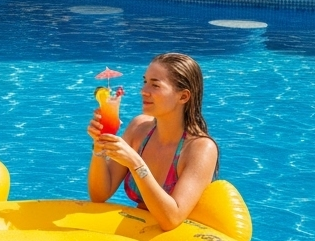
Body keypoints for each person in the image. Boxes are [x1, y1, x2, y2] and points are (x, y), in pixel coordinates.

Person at [87, 53, 220, 231]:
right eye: (145, 82)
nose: (144, 91)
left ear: (183, 97)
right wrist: (99, 145)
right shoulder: (139, 128)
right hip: (140, 235)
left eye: (155, 85)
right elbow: (99, 195)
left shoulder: (200, 148)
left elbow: (171, 219)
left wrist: (136, 164)